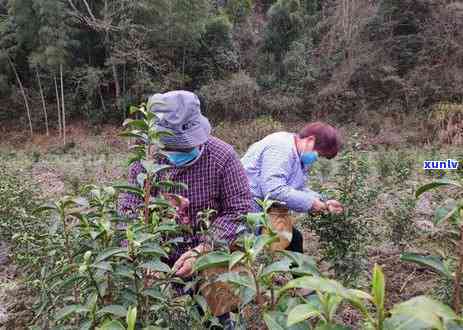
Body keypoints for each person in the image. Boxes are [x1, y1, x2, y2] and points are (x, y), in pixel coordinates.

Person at [117, 90, 251, 327]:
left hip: (210, 255)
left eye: (185, 146)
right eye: (172, 148)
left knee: (219, 316)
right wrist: (145, 258)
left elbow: (238, 210)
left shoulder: (223, 157)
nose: (178, 154)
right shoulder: (144, 163)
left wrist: (204, 249)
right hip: (160, 257)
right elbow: (128, 211)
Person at [241, 122, 344, 254]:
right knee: (241, 252)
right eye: (318, 154)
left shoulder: (298, 153)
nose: (316, 159)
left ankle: (301, 274)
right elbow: (274, 189)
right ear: (310, 140)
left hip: (260, 207)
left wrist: (323, 201)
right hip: (245, 207)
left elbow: (297, 188)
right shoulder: (281, 148)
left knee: (294, 240)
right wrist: (311, 203)